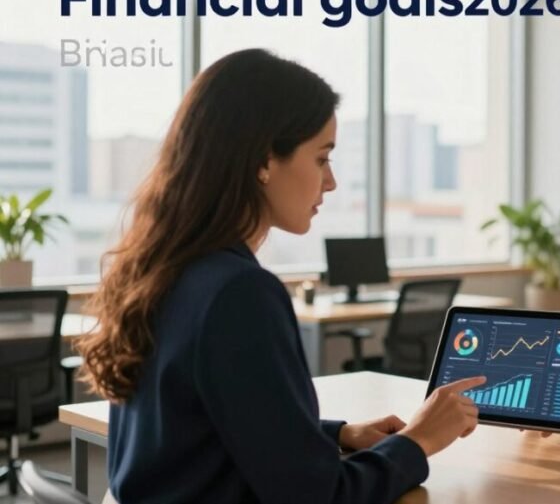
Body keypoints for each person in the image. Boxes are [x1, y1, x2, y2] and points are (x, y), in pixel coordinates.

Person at [75, 49, 485, 504]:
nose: (330, 182)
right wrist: (419, 441)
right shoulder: (239, 292)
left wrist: (340, 434)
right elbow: (318, 497)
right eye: (321, 158)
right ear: (264, 161)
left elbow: (207, 428)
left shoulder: (160, 270)